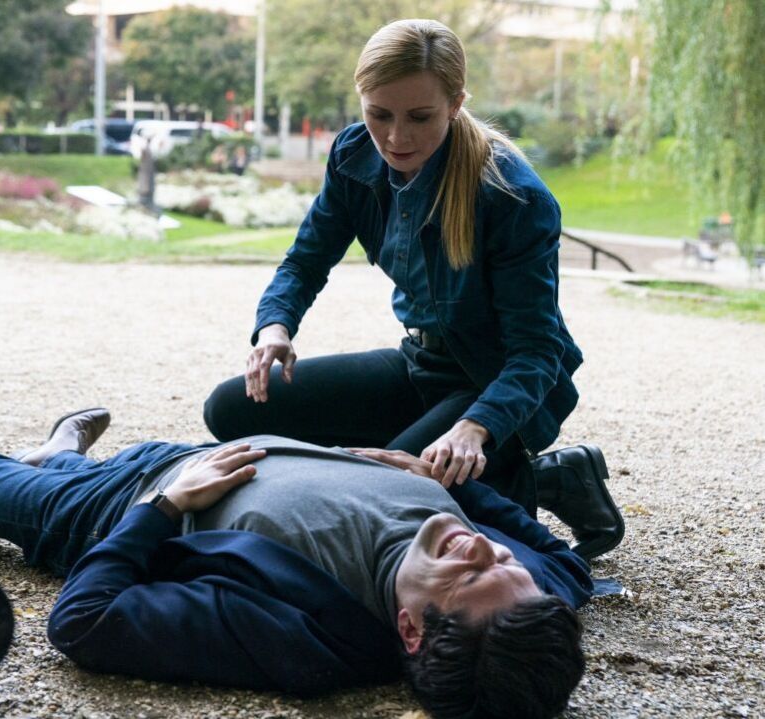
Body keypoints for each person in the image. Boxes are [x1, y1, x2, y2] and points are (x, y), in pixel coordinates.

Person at [0, 409, 592, 718]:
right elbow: (568, 563)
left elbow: (84, 621)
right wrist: (451, 486)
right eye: (505, 561)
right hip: (190, 452)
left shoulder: (304, 637)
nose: (486, 548)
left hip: (119, 502)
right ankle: (52, 456)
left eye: (471, 573)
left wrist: (163, 506)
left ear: (411, 630)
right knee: (46, 469)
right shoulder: (528, 592)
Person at [201, 19, 623, 560]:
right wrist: (275, 328)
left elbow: (538, 353)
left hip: (493, 383)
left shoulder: (512, 196)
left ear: (456, 103)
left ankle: (520, 473)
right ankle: (535, 478)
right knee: (231, 410)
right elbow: (305, 260)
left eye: (420, 117)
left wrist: (475, 428)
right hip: (419, 364)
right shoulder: (354, 156)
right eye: (379, 114)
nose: (396, 138)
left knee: (377, 494)